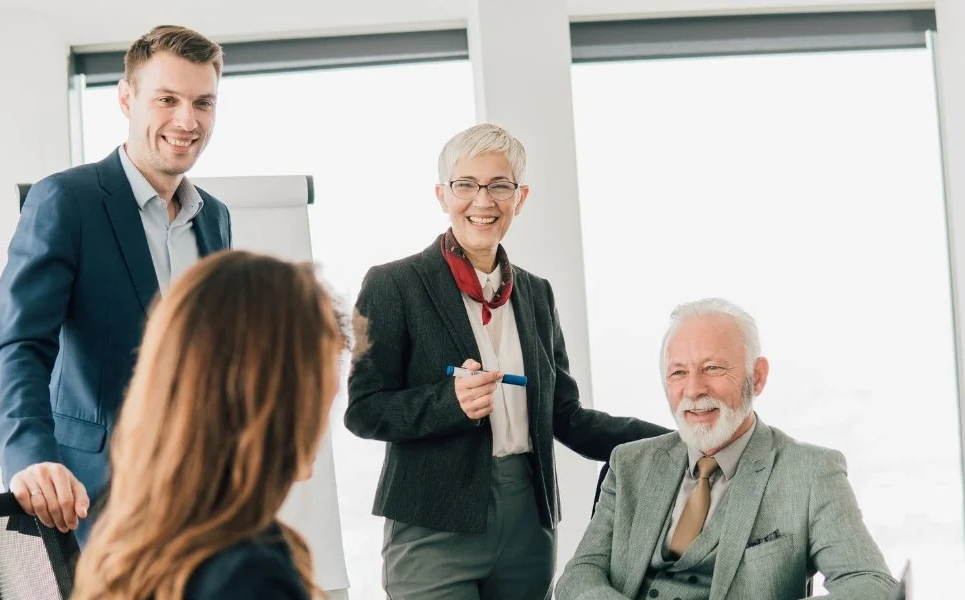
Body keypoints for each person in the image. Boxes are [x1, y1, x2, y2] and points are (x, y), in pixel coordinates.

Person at [345, 123, 670, 599]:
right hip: (433, 522)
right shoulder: (393, 285)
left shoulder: (536, 294)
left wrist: (672, 442)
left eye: (499, 186)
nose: (483, 201)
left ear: (520, 197)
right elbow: (364, 410)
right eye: (466, 185)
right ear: (442, 194)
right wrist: (446, 403)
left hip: (526, 518)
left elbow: (566, 415)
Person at [0, 25, 231, 542]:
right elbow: (20, 345)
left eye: (203, 103)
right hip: (96, 502)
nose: (187, 121)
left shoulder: (215, 219)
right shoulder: (67, 201)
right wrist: (30, 459)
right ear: (127, 98)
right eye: (167, 99)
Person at [556, 298, 897, 600]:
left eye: (713, 368)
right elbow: (578, 577)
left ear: (757, 376)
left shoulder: (811, 472)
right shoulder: (630, 463)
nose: (693, 389)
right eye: (678, 372)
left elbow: (871, 583)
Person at [72, 250, 346, 600]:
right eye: (325, 366)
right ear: (272, 395)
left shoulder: (133, 546)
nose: (335, 390)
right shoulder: (248, 579)